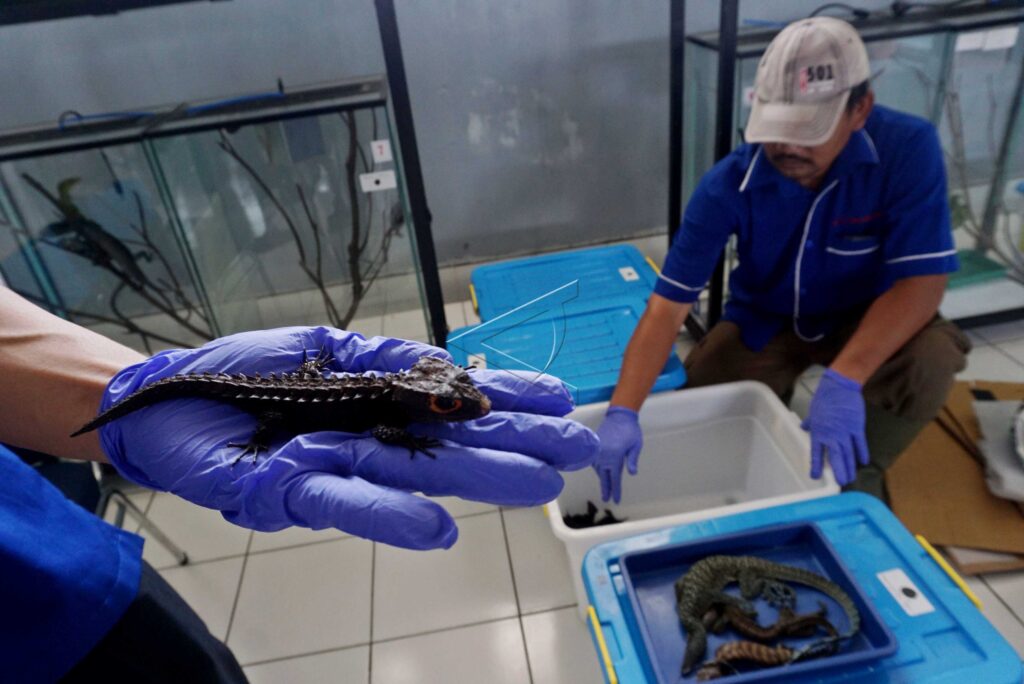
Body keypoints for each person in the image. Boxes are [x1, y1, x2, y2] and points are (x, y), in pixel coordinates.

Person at [0, 286, 598, 682]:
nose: (462, 407)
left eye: (451, 399)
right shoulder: (396, 409)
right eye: (447, 405)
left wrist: (118, 390)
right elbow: (389, 427)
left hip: (71, 569)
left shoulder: (409, 391)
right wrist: (406, 437)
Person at [593, 16, 970, 505]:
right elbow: (667, 308)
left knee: (931, 360)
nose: (789, 147)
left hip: (868, 316)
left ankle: (857, 477)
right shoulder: (729, 183)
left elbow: (922, 281)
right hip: (767, 318)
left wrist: (846, 376)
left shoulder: (907, 149)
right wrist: (623, 411)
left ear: (860, 110)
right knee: (705, 394)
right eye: (778, 128)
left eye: (809, 131)